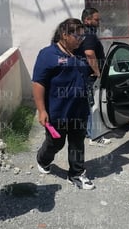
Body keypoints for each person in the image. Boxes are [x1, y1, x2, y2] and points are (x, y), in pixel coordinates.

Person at [33, 18, 95, 190]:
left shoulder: (80, 53)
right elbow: (38, 83)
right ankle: (42, 159)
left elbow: (88, 72)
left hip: (79, 109)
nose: (80, 40)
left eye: (82, 37)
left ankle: (76, 174)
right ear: (64, 35)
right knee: (56, 142)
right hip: (57, 111)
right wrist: (41, 110)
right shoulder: (48, 54)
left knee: (77, 142)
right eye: (77, 36)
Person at [75, 7, 111, 146]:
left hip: (81, 75)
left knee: (85, 104)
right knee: (93, 105)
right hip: (90, 76)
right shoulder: (89, 34)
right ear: (87, 20)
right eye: (96, 19)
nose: (99, 22)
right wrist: (97, 72)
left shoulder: (80, 34)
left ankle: (86, 131)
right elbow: (90, 53)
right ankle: (95, 136)